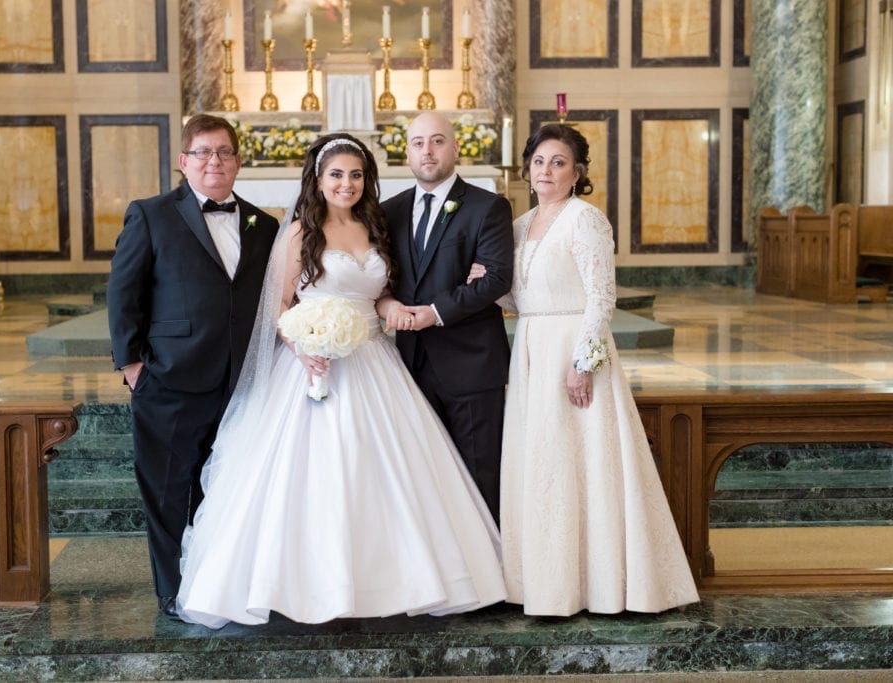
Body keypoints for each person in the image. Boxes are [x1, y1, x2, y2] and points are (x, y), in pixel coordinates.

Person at [176, 133, 506, 629]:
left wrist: (398, 311)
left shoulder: (376, 230)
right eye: (336, 175)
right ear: (318, 179)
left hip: (373, 361)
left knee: (391, 475)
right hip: (311, 367)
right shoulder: (298, 235)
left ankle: (398, 582)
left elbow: (381, 297)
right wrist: (303, 346)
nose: (346, 184)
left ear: (365, 181)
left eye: (355, 175)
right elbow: (279, 308)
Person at [499, 124, 699, 615]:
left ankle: (599, 584)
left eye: (559, 162)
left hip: (572, 349)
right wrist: (485, 282)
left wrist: (583, 363)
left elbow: (601, 297)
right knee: (543, 463)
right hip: (531, 346)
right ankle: (544, 582)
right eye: (540, 161)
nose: (546, 171)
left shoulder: (586, 219)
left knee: (582, 462)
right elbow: (521, 293)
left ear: (577, 172)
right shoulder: (521, 226)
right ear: (527, 167)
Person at [106, 114, 281, 620]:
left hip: (241, 384)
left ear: (238, 161)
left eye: (224, 152)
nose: (215, 162)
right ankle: (172, 592)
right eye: (203, 152)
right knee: (167, 493)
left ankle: (215, 587)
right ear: (184, 162)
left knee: (223, 492)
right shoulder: (151, 215)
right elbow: (123, 294)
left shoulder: (263, 225)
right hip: (170, 380)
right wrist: (134, 366)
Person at [378, 112, 514, 524]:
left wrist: (434, 313)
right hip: (410, 367)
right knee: (425, 477)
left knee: (479, 473)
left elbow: (495, 278)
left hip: (471, 365)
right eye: (418, 143)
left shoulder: (487, 207)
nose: (428, 151)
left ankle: (491, 581)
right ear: (407, 153)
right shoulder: (390, 211)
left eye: (437, 141)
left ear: (455, 148)